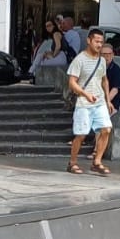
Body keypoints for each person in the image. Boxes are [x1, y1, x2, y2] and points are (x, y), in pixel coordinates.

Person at [66, 28, 111, 175]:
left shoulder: (102, 60)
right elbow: (72, 82)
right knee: (81, 134)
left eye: (101, 42)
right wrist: (85, 94)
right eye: (96, 41)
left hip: (99, 102)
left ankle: (97, 161)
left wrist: (108, 100)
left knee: (106, 129)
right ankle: (72, 162)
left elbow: (104, 80)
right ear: (89, 40)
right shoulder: (79, 59)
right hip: (83, 103)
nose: (99, 45)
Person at [27, 19, 70, 83]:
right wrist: (49, 53)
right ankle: (31, 73)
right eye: (46, 26)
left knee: (42, 62)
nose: (48, 28)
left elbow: (58, 47)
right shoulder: (55, 34)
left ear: (54, 26)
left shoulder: (56, 33)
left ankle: (32, 74)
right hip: (60, 56)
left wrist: (53, 55)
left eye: (49, 25)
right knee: (41, 55)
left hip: (61, 57)